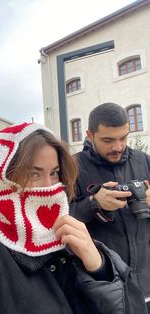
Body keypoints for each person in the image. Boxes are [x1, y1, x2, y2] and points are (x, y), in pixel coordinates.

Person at [0, 122, 147, 314]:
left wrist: (99, 268)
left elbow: (132, 306)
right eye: (34, 173)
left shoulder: (67, 243)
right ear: (2, 181)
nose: (49, 186)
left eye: (54, 173)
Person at [69, 102, 150, 312]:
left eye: (123, 137)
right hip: (103, 290)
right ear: (89, 134)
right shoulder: (72, 168)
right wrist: (94, 204)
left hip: (146, 285)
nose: (118, 146)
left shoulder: (144, 161)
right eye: (108, 140)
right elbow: (58, 221)